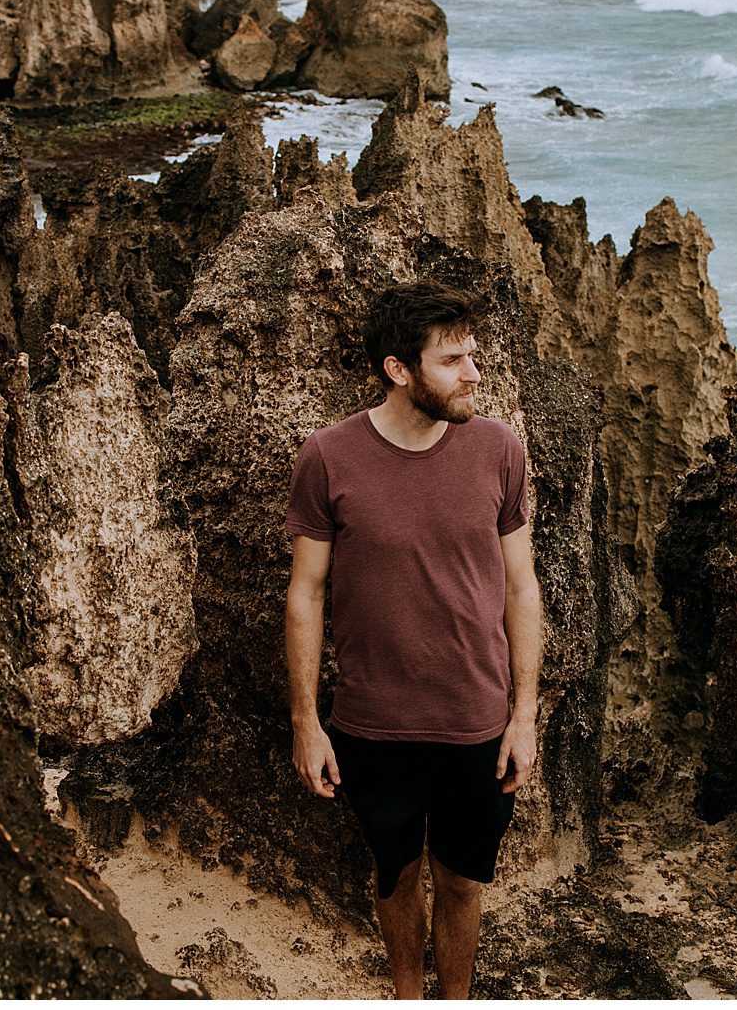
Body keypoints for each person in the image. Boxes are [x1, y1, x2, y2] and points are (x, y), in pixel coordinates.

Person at [283, 279, 543, 999]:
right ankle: (407, 993)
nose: (475, 375)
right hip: (373, 724)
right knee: (394, 875)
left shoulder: (498, 449)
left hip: (476, 722)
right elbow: (305, 593)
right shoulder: (328, 457)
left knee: (461, 880)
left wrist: (524, 717)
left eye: (474, 356)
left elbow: (523, 587)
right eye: (454, 360)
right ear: (399, 369)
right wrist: (307, 722)